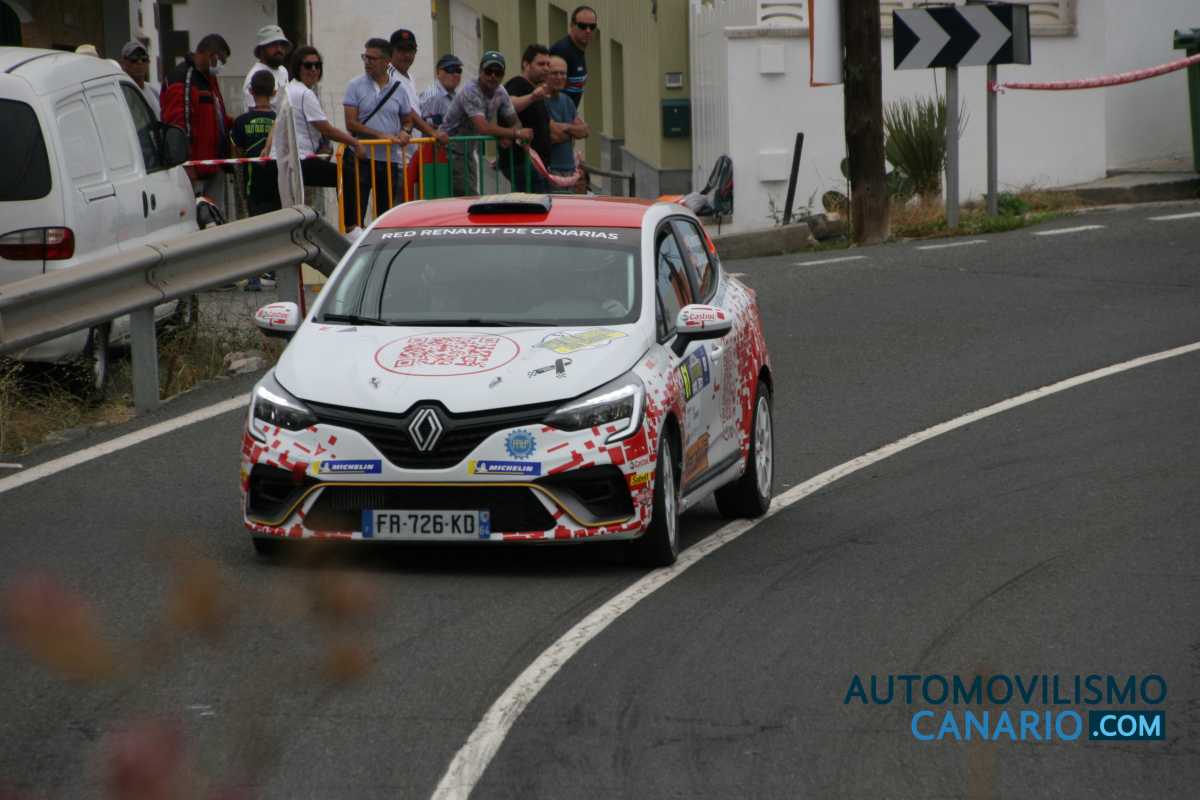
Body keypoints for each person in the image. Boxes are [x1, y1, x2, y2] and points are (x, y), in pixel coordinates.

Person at [271, 46, 364, 194]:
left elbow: (276, 124)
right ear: (298, 67)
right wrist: (355, 143)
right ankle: (347, 211)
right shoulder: (305, 94)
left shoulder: (289, 89)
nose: (314, 70)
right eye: (308, 65)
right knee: (349, 177)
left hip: (280, 159)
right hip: (299, 159)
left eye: (317, 65)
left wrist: (267, 148)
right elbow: (327, 130)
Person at [438, 51, 531, 197]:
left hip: (468, 151)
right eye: (488, 71)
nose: (493, 76)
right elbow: (484, 127)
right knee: (466, 196)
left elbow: (515, 122)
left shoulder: (501, 91)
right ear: (480, 71)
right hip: (448, 150)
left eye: (498, 73)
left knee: (469, 197)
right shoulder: (471, 90)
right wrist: (515, 133)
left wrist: (510, 136)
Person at [161, 33, 234, 219]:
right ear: (211, 55)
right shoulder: (183, 78)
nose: (221, 66)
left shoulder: (209, 79)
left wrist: (236, 123)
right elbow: (178, 124)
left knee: (217, 219)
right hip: (196, 170)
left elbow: (216, 116)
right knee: (200, 220)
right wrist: (188, 165)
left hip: (214, 166)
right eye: (221, 60)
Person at [342, 38, 411, 230]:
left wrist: (405, 132)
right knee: (354, 219)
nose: (367, 62)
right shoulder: (354, 85)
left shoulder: (399, 88)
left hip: (388, 160)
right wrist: (380, 135)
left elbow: (407, 119)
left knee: (385, 219)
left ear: (387, 61)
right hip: (360, 157)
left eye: (373, 58)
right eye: (365, 57)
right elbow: (351, 123)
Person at [503, 44, 553, 192]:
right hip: (523, 164)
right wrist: (532, 97)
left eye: (548, 64)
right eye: (541, 64)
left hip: (537, 165)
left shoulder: (536, 90)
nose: (546, 68)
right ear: (526, 64)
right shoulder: (517, 83)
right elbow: (509, 105)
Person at [545, 54, 589, 192]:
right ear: (546, 75)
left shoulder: (567, 101)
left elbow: (585, 131)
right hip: (549, 171)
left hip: (569, 171)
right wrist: (572, 131)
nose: (559, 77)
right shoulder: (541, 101)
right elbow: (554, 136)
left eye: (563, 73)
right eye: (554, 73)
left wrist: (564, 128)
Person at [549, 5, 596, 109]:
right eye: (582, 26)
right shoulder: (562, 51)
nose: (588, 30)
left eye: (592, 27)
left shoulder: (579, 49)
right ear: (571, 25)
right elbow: (548, 90)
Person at [242, 24, 290, 113]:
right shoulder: (254, 77)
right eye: (273, 45)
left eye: (282, 45)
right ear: (261, 49)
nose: (279, 49)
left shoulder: (283, 71)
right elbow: (255, 115)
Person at [418, 53, 463, 127]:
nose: (456, 74)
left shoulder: (455, 95)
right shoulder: (433, 96)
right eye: (451, 70)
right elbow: (422, 127)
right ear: (438, 72)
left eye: (458, 71)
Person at [119, 41, 159, 119]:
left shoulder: (154, 92)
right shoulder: (120, 93)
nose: (140, 62)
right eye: (134, 59)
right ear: (123, 63)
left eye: (144, 59)